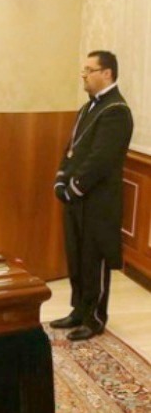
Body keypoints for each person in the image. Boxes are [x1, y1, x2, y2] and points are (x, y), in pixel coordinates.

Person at [51, 50, 133, 341]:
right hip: (77, 199)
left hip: (98, 203)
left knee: (93, 260)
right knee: (76, 256)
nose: (83, 75)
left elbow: (100, 160)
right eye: (84, 70)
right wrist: (61, 178)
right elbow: (72, 149)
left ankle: (94, 318)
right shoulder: (88, 107)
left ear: (107, 73)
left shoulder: (116, 111)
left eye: (89, 70)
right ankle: (78, 310)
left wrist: (73, 187)